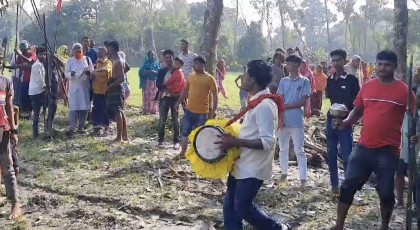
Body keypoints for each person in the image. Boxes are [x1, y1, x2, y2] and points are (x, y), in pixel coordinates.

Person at [329, 50, 414, 230]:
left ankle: (384, 226)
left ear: (395, 67)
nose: (382, 68)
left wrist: (416, 135)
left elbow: (415, 116)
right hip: (363, 147)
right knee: (347, 186)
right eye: (380, 64)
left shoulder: (404, 91)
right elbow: (358, 110)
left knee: (385, 193)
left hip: (388, 151)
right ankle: (339, 225)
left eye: (387, 65)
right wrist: (346, 122)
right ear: (375, 64)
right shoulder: (367, 86)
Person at [218, 60, 289, 230]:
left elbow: (268, 142)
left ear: (254, 79)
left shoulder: (265, 106)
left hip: (253, 167)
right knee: (230, 206)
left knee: (242, 207)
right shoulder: (256, 101)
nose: (242, 78)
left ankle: (276, 228)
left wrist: (235, 142)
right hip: (241, 162)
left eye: (246, 74)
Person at [325, 49, 360, 194]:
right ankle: (334, 185)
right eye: (333, 60)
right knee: (331, 154)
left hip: (345, 122)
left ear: (345, 61)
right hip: (331, 120)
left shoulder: (351, 80)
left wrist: (347, 115)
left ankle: (348, 187)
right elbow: (329, 99)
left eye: (339, 60)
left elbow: (357, 101)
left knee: (347, 156)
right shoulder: (330, 79)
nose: (336, 63)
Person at [277, 54, 310, 187]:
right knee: (283, 148)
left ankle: (303, 178)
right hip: (283, 118)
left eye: (289, 64)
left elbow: (303, 101)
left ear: (296, 65)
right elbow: (279, 99)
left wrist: (287, 106)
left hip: (296, 119)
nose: (286, 66)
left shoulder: (304, 82)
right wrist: (280, 118)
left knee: (299, 150)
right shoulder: (283, 81)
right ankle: (284, 174)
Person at [176, 56, 218, 158]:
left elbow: (215, 95)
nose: (194, 66)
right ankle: (183, 153)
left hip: (202, 113)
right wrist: (178, 102)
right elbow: (185, 91)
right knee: (185, 132)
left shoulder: (209, 79)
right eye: (194, 64)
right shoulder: (190, 76)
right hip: (189, 110)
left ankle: (197, 155)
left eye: (197, 64)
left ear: (203, 65)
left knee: (199, 135)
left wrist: (214, 111)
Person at [0, 72, 21, 220]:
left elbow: (9, 106)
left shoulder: (5, 82)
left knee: (8, 167)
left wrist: (14, 130)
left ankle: (15, 203)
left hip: (2, 129)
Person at [156, 50, 184, 149]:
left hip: (176, 98)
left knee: (176, 120)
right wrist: (167, 91)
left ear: (173, 57)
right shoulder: (162, 71)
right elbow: (158, 84)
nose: (168, 59)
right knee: (162, 119)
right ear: (164, 59)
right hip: (165, 98)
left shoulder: (178, 71)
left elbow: (182, 84)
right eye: (166, 57)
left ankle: (176, 141)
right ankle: (160, 140)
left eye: (169, 57)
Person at [65, 43, 94, 137]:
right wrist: (71, 74)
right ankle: (72, 128)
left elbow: (92, 72)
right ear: (73, 51)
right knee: (74, 109)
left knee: (84, 109)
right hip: (74, 89)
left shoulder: (87, 59)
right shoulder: (70, 61)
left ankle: (81, 127)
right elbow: (66, 74)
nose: (79, 50)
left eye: (80, 48)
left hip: (84, 88)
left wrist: (89, 73)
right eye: (76, 49)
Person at [3, 41, 37, 118]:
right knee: (22, 96)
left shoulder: (32, 54)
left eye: (24, 50)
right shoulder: (20, 56)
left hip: (33, 80)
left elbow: (30, 61)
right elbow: (16, 66)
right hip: (24, 79)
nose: (22, 51)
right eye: (21, 50)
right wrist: (6, 67)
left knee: (30, 97)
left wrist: (19, 54)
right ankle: (23, 112)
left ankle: (30, 113)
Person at [107, 41, 128, 142]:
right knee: (120, 111)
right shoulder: (115, 59)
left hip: (116, 88)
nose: (108, 50)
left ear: (114, 49)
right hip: (114, 86)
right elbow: (127, 68)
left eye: (109, 48)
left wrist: (110, 85)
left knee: (118, 111)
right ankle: (124, 135)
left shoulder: (118, 60)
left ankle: (119, 136)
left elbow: (121, 78)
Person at [91, 47, 112, 136]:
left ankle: (106, 128)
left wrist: (95, 70)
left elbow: (106, 70)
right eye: (99, 52)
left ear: (105, 53)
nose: (99, 53)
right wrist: (91, 72)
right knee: (96, 109)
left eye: (101, 52)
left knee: (105, 109)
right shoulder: (96, 63)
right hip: (96, 90)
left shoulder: (108, 62)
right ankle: (97, 128)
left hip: (105, 90)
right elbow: (92, 76)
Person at [28, 46, 47, 138]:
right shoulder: (37, 65)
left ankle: (38, 131)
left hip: (38, 90)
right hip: (36, 91)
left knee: (38, 112)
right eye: (41, 54)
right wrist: (45, 87)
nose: (43, 56)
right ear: (37, 55)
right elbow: (39, 79)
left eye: (44, 54)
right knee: (37, 113)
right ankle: (36, 134)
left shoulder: (40, 64)